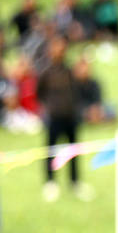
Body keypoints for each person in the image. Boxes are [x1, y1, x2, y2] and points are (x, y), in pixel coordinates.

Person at [37, 35, 89, 201]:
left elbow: (80, 91)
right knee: (51, 151)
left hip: (71, 116)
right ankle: (50, 182)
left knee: (73, 151)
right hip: (54, 117)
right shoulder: (45, 71)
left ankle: (75, 182)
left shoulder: (70, 71)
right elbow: (40, 94)